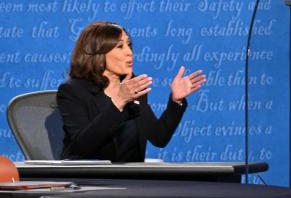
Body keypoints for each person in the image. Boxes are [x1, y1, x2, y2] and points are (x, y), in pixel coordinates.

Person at [57, 21, 206, 161]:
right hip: (92, 179)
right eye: (120, 47)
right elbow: (81, 147)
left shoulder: (133, 87)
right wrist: (119, 102)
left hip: (132, 180)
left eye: (129, 45)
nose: (129, 53)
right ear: (98, 52)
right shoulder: (72, 90)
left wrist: (176, 101)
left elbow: (158, 137)